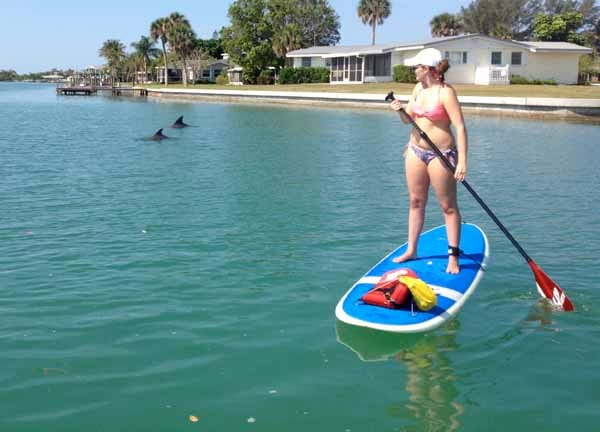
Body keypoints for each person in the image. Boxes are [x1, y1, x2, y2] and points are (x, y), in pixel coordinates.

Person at [389, 48, 468, 274]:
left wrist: (462, 161)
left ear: (427, 69)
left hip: (441, 155)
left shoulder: (446, 93)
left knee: (448, 207)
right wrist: (400, 110)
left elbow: (460, 128)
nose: (413, 70)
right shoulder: (417, 89)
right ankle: (412, 249)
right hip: (415, 151)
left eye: (417, 67)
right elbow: (408, 121)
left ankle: (453, 257)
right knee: (415, 201)